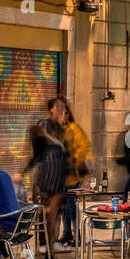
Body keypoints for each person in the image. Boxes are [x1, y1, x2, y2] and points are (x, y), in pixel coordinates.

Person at [24, 106, 70, 254]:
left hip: (58, 182)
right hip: (45, 182)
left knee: (56, 213)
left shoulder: (61, 135)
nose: (64, 117)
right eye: (62, 114)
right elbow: (36, 159)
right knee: (44, 212)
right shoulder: (44, 130)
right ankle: (44, 243)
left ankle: (53, 241)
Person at [57, 98, 93, 248]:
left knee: (70, 203)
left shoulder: (73, 128)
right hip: (63, 176)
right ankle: (67, 233)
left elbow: (85, 146)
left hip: (73, 174)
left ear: (67, 113)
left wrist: (73, 159)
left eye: (62, 113)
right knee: (65, 204)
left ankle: (78, 235)